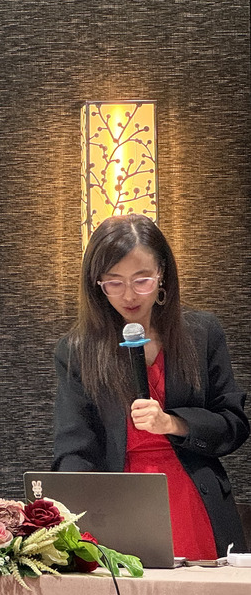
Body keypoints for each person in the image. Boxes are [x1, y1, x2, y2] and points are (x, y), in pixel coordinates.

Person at [53, 214, 248, 559]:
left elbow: (233, 425)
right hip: (119, 503)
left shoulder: (202, 333)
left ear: (162, 274)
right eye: (114, 282)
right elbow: (74, 448)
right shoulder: (77, 350)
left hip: (191, 496)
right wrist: (75, 524)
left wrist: (173, 423)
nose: (129, 295)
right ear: (97, 283)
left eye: (141, 280)